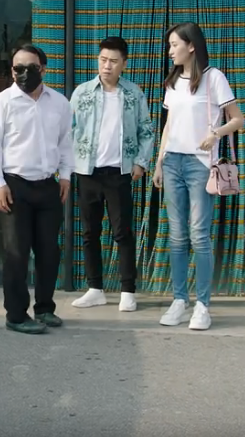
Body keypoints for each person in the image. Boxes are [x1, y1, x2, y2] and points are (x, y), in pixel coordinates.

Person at [152, 22, 245, 331]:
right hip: (172, 161)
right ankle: (180, 300)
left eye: (174, 45)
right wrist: (159, 162)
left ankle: (202, 305)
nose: (170, 51)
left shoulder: (213, 78)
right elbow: (169, 125)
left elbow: (238, 119)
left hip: (200, 164)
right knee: (177, 235)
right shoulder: (172, 81)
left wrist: (215, 133)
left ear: (191, 46)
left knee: (198, 235)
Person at [0, 44, 74, 335]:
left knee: (49, 252)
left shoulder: (59, 103)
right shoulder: (0, 105)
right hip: (14, 187)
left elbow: (66, 143)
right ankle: (16, 315)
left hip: (48, 186)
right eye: (17, 69)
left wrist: (65, 176)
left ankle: (44, 308)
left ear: (43, 69)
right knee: (16, 254)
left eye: (30, 68)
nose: (23, 74)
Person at [68, 36, 154, 312]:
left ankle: (128, 290)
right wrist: (67, 165)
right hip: (87, 171)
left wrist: (141, 162)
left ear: (124, 64)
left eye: (113, 61)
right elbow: (69, 130)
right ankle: (95, 289)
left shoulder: (133, 94)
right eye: (103, 60)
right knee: (89, 232)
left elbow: (146, 130)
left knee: (122, 232)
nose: (107, 66)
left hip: (119, 172)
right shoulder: (82, 92)